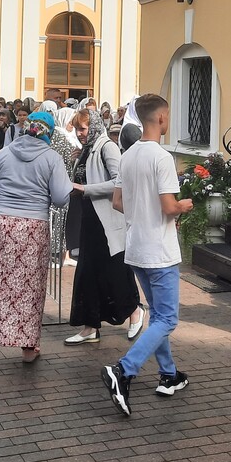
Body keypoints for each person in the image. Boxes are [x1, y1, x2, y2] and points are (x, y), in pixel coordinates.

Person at [101, 94, 195, 417]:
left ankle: (169, 374)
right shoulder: (162, 157)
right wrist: (184, 205)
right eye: (167, 117)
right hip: (161, 250)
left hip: (136, 248)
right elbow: (169, 207)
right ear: (161, 119)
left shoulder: (127, 156)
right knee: (167, 318)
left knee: (157, 314)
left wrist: (143, 212)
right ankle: (124, 370)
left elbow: (117, 201)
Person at [0, 111, 73, 367]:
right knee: (30, 289)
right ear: (49, 133)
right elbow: (59, 198)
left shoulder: (4, 153)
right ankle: (29, 347)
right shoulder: (52, 158)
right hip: (33, 228)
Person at [66, 108, 144, 345]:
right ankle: (90, 326)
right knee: (88, 273)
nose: (79, 133)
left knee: (114, 270)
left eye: (83, 128)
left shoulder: (105, 146)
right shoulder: (89, 148)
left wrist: (85, 189)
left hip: (106, 221)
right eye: (77, 128)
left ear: (94, 126)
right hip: (91, 219)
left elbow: (119, 180)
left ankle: (135, 312)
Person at [50, 106, 81, 263]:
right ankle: (58, 255)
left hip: (67, 183)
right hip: (62, 184)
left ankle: (65, 254)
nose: (72, 126)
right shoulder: (59, 137)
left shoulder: (67, 136)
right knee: (59, 220)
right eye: (70, 123)